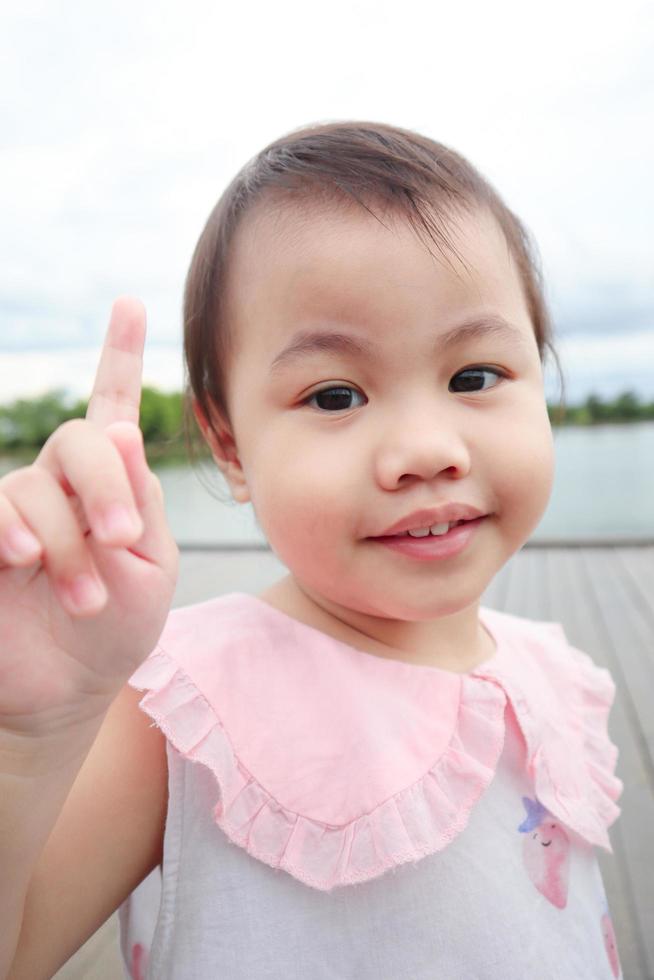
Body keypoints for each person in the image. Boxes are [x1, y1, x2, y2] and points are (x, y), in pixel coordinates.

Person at [1, 122, 624, 980]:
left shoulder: (554, 675)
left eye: (475, 376)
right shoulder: (189, 710)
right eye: (336, 394)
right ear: (228, 445)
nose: (426, 448)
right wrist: (30, 733)